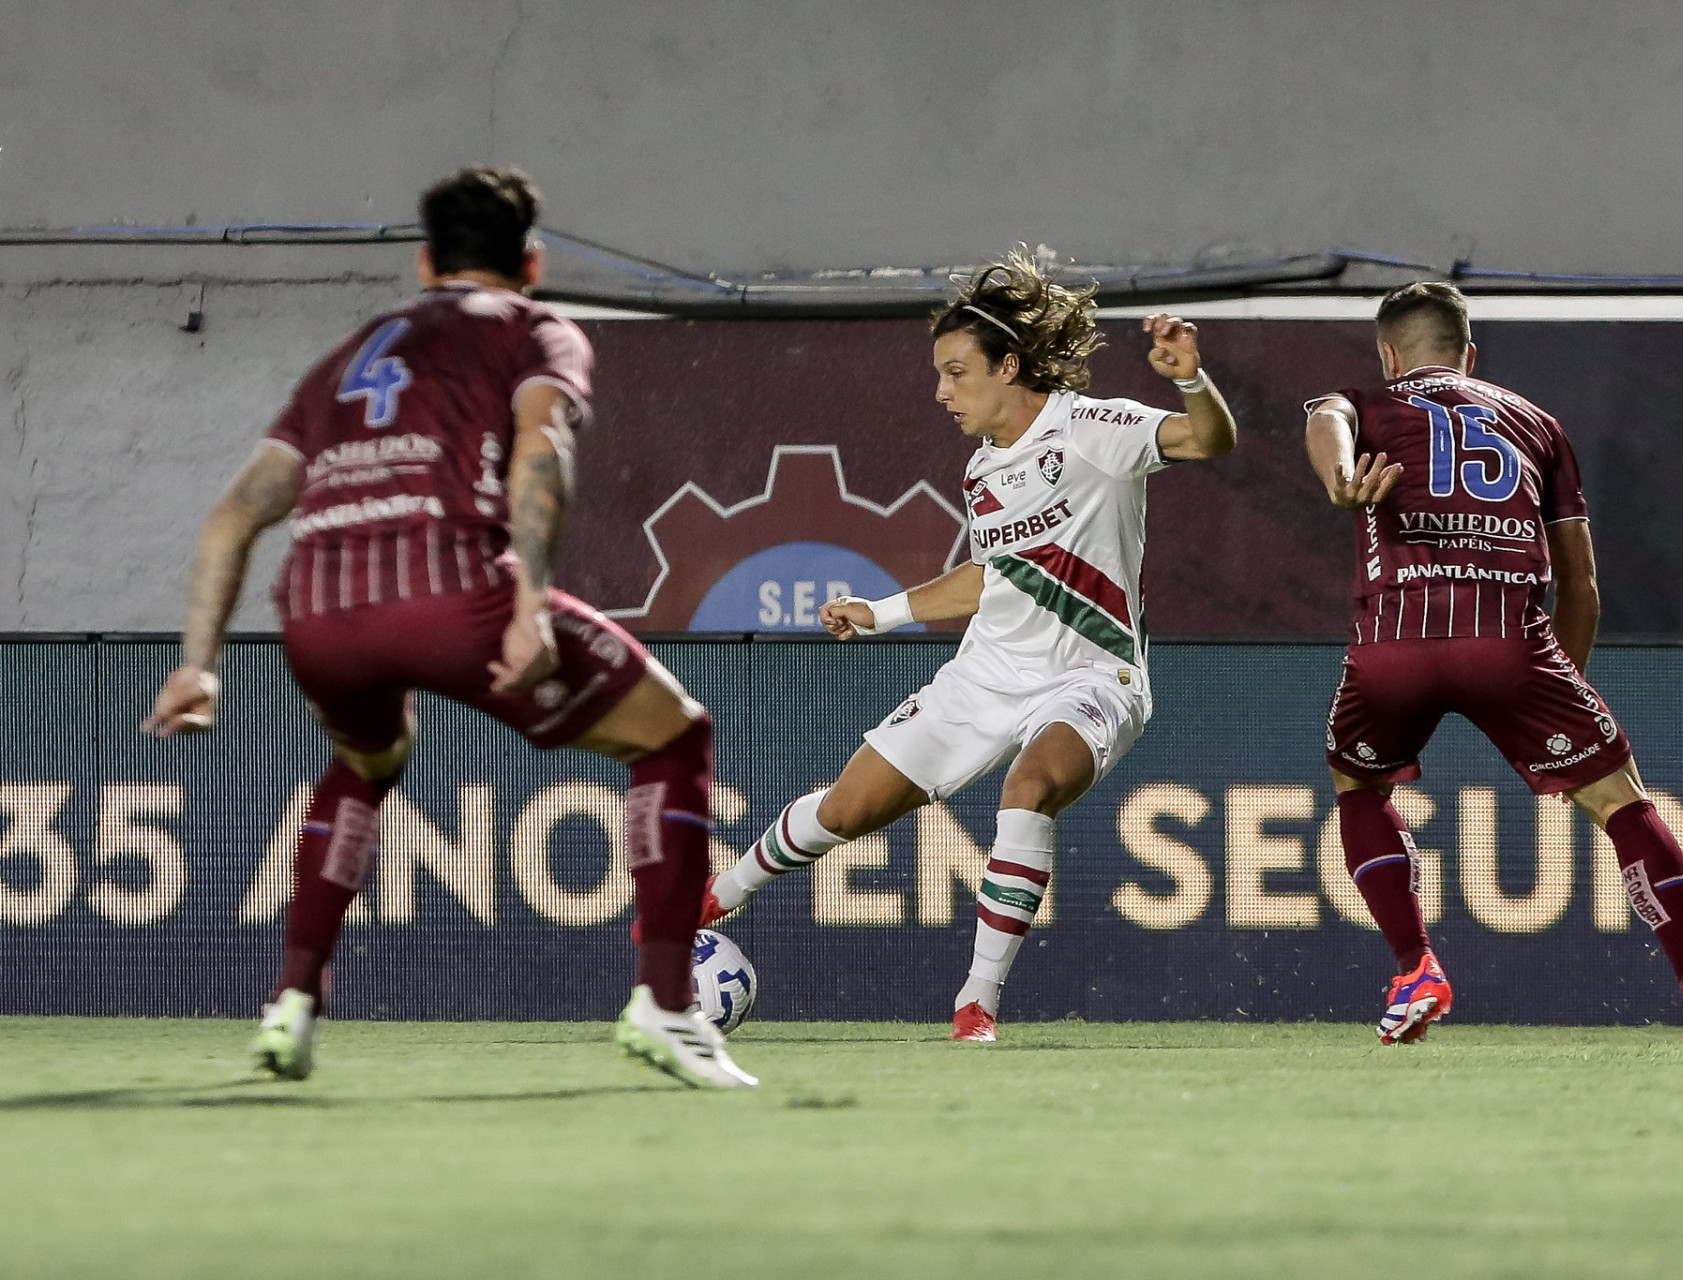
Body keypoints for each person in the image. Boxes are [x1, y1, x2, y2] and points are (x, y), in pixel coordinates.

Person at [142, 166, 755, 1088]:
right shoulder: (534, 327)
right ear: (534, 261)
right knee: (675, 737)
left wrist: (199, 667)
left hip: (317, 612)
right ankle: (668, 1007)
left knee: (366, 761)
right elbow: (543, 449)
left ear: (427, 262)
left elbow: (235, 513)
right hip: (450, 595)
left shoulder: (347, 357)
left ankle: (292, 1005)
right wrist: (528, 607)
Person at [699, 250, 1237, 1041]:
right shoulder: (983, 468)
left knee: (1029, 787)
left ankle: (976, 1001)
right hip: (984, 675)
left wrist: (1190, 379)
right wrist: (878, 613)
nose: (942, 392)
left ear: (1008, 365)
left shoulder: (1094, 428)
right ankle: (718, 898)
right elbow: (993, 579)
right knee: (847, 810)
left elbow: (1209, 441)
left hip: (1093, 675)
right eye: (940, 374)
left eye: (956, 372)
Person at [1303, 281, 1683, 1045]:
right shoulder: (1537, 424)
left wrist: (1338, 479)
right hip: (1512, 647)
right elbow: (1581, 584)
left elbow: (1326, 416)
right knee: (1623, 802)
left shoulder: (1362, 402)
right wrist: (1562, 694)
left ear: (1390, 354)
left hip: (1393, 643)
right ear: (1470, 353)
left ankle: (1414, 967)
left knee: (1357, 787)